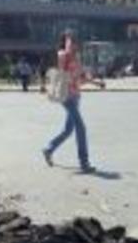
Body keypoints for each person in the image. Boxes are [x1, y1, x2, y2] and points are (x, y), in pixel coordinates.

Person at [42, 31, 105, 173]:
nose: (74, 44)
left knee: (68, 130)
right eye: (70, 41)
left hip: (76, 96)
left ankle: (48, 149)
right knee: (81, 127)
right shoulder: (62, 55)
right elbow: (62, 72)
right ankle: (84, 163)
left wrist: (96, 83)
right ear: (65, 42)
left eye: (74, 41)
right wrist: (68, 45)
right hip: (66, 96)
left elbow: (81, 78)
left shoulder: (77, 58)